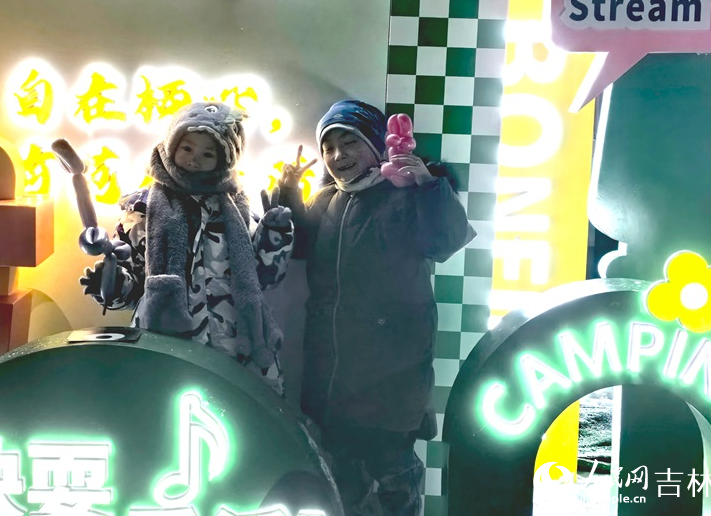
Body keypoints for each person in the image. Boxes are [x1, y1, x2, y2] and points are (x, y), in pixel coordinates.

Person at [277, 99, 476, 515]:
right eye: (329, 147)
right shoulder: (326, 200)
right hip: (332, 376)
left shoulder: (402, 194)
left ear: (375, 143)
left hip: (392, 377)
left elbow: (446, 241)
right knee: (341, 483)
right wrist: (290, 193)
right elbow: (300, 246)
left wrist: (428, 185)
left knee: (395, 482)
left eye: (349, 142)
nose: (338, 155)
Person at [79, 102, 293, 395]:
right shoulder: (142, 210)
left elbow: (265, 277)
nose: (194, 159)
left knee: (236, 412)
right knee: (166, 411)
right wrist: (111, 282)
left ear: (225, 159)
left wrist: (276, 234)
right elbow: (131, 286)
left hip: (234, 344)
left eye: (208, 154)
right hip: (167, 345)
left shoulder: (239, 211)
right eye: (187, 148)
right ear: (172, 144)